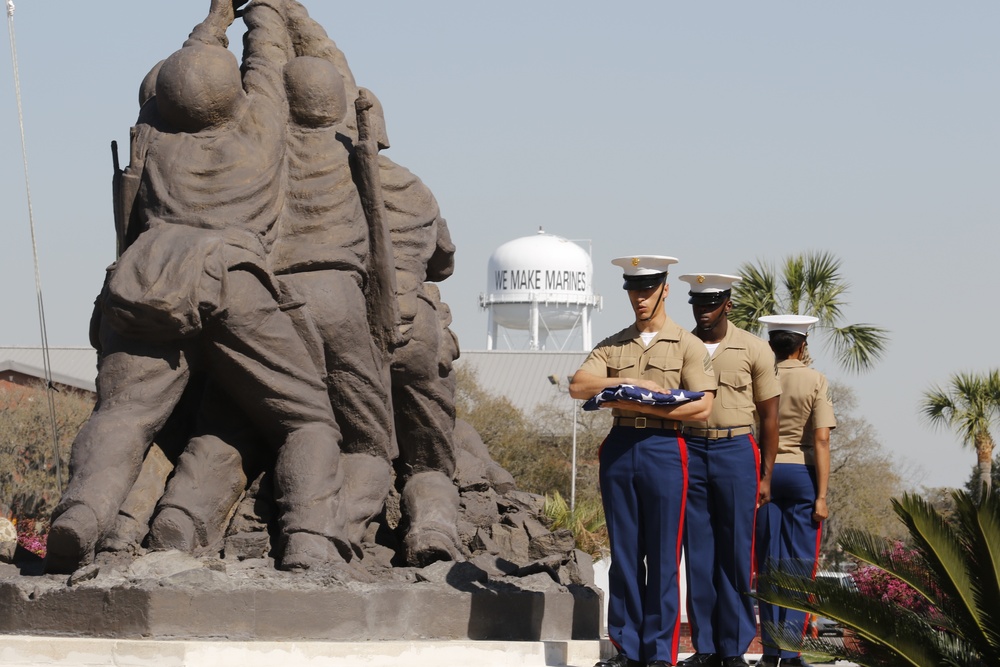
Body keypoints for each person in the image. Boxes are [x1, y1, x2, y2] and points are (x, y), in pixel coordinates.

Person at [45, 0, 347, 574]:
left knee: (123, 417)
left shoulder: (152, 135)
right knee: (307, 418)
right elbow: (266, 64)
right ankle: (309, 540)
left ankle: (82, 512)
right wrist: (259, 13)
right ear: (231, 95)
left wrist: (211, 20)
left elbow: (174, 82)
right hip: (230, 278)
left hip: (146, 275)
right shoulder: (260, 124)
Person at [570, 256, 717, 667]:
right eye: (634, 290)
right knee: (626, 553)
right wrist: (628, 383)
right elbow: (579, 385)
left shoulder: (687, 344)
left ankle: (658, 652)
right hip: (620, 447)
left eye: (649, 289)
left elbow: (703, 407)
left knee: (664, 555)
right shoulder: (613, 344)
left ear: (665, 290)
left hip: (666, 449)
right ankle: (627, 649)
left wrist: (648, 408)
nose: (641, 298)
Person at [676, 273, 781, 667]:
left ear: (728, 305)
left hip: (737, 449)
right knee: (698, 553)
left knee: (736, 553)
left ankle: (734, 647)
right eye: (698, 305)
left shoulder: (754, 348)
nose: (703, 312)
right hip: (688, 447)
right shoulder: (682, 347)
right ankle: (705, 647)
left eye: (711, 304)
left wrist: (766, 473)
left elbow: (770, 415)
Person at [754, 315, 835, 667]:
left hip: (764, 474)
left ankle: (771, 652)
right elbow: (822, 439)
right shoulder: (815, 379)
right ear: (802, 345)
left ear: (771, 345)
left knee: (768, 564)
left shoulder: (760, 377)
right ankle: (791, 652)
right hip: (802, 474)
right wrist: (822, 496)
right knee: (799, 566)